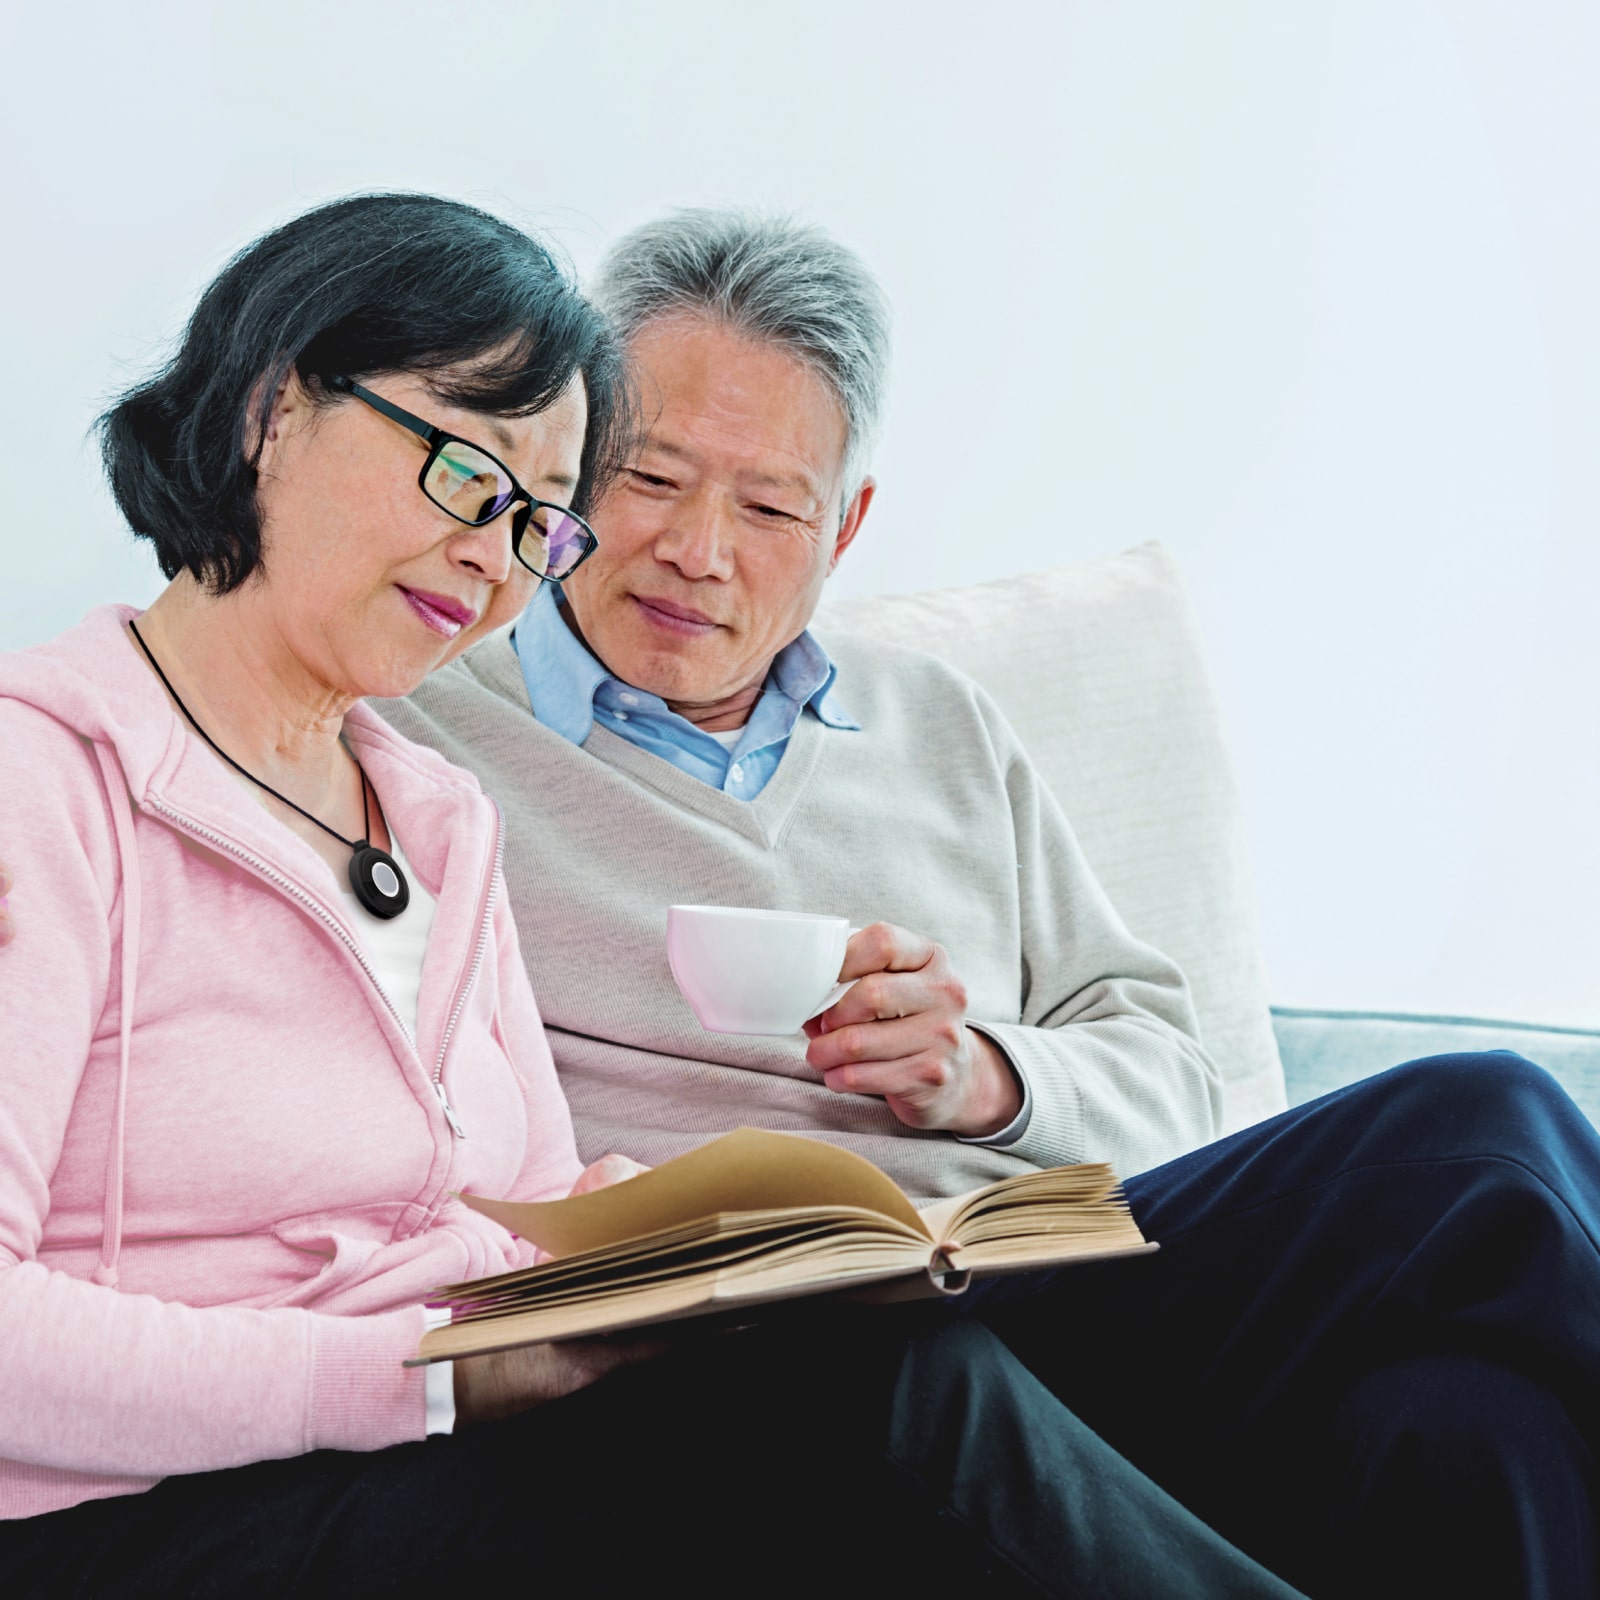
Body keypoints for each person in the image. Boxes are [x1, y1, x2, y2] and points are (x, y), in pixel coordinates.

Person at [0, 193, 1315, 1599]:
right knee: (857, 1393)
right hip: (149, 1515)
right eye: (464, 471)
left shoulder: (433, 812)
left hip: (403, 1449)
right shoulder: (45, 780)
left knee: (837, 1356)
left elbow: (509, 1196)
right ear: (271, 408)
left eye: (531, 519)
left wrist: (648, 1248)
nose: (491, 556)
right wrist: (435, 1377)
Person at [370, 209, 1600, 1599]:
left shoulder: (944, 727)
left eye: (771, 506)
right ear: (572, 463)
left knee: (1462, 1402)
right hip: (784, 1355)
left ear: (849, 525)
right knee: (1485, 1130)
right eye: (651, 479)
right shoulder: (423, 735)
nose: (699, 550)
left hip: (1063, 1290)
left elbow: (1183, 1077)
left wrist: (985, 1076)